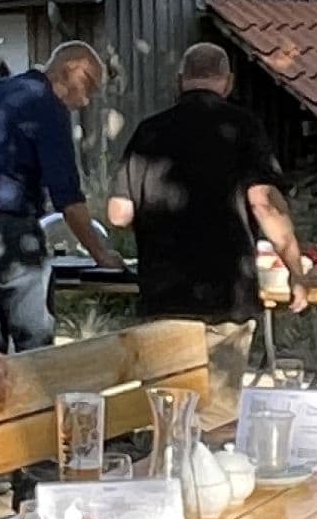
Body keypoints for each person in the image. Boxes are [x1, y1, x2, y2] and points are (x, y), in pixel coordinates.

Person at [107, 42, 306, 408]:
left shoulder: (149, 131)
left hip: (163, 297)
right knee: (216, 417)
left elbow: (119, 214)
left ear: (179, 80)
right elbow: (264, 203)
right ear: (227, 82)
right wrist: (295, 269)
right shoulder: (244, 127)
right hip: (224, 297)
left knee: (167, 416)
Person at [0, 40, 122, 350]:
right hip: (12, 232)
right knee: (36, 347)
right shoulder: (46, 106)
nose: (86, 101)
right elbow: (68, 198)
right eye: (89, 86)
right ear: (71, 70)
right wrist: (101, 255)